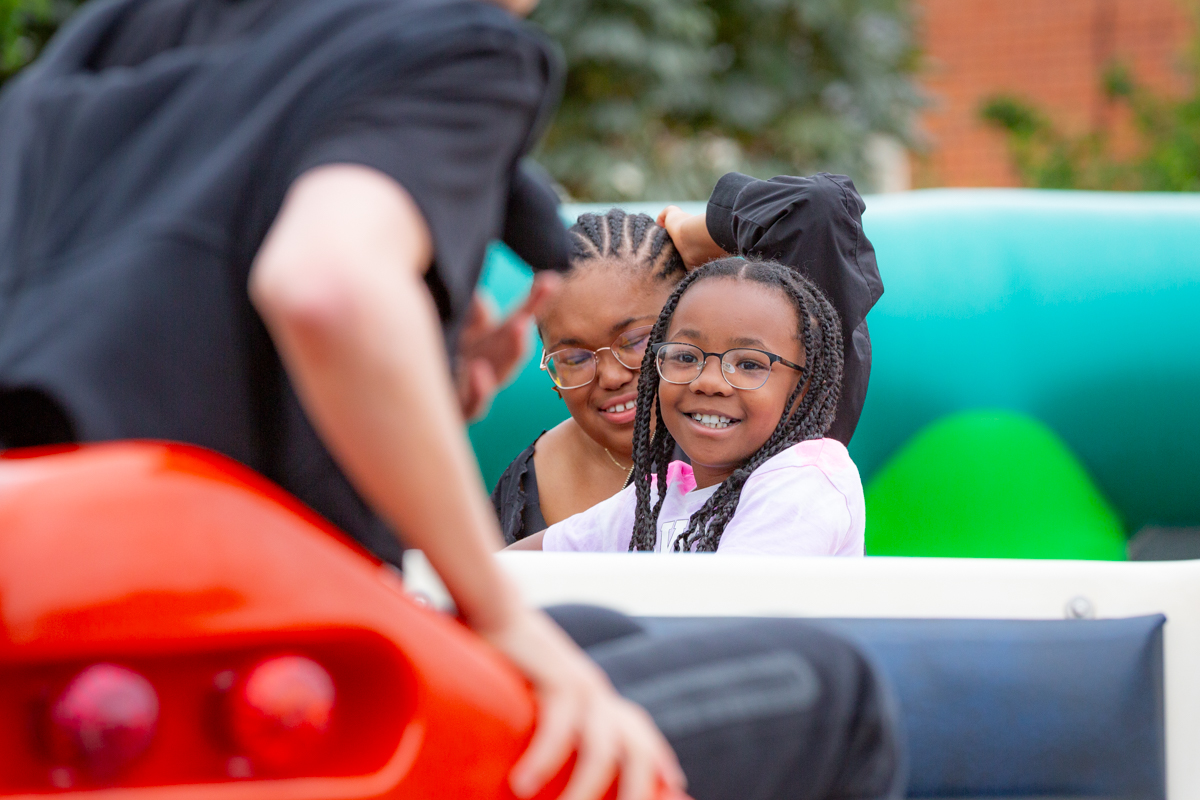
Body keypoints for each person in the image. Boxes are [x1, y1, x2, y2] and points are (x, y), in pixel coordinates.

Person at [0, 0, 901, 796]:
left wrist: (423, 383)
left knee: (595, 630)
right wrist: (497, 613)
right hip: (246, 694)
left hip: (63, 644)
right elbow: (325, 285)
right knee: (832, 691)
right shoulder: (451, 40)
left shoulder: (108, 35)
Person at [492, 173, 881, 544]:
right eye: (574, 357)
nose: (610, 376)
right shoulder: (526, 484)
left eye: (636, 341)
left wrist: (696, 239)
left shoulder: (753, 436)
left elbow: (817, 207)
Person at [509, 256, 863, 555]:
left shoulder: (805, 480)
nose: (708, 382)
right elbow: (521, 563)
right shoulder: (659, 496)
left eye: (749, 364)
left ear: (803, 388)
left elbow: (728, 609)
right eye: (685, 356)